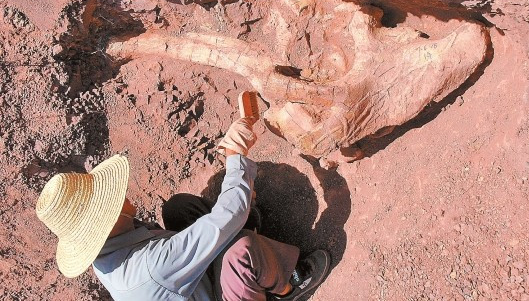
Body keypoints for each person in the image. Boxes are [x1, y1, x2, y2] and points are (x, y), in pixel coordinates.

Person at [35, 117, 330, 300]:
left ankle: (253, 241)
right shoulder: (151, 267)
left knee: (180, 208)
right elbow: (229, 214)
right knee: (241, 250)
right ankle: (289, 287)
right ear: (108, 219)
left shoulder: (105, 252)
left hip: (185, 285)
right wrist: (236, 157)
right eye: (112, 197)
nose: (121, 191)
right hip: (203, 290)